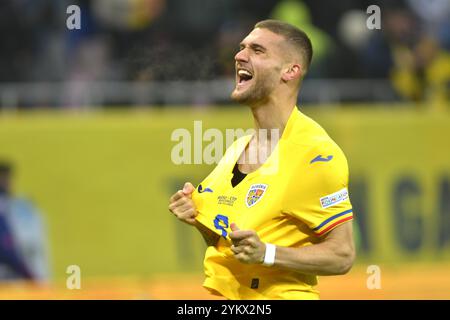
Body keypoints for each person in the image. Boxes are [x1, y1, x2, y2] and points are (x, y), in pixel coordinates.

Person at [169, 20, 355, 300]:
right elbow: (228, 244)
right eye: (242, 48)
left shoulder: (315, 154)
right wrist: (196, 218)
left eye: (257, 50)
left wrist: (266, 253)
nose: (239, 55)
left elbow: (342, 254)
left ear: (290, 71)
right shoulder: (238, 148)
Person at [0, 162, 50, 281]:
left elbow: (39, 249)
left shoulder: (25, 208)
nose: (4, 181)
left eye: (5, 176)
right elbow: (6, 250)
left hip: (26, 282)